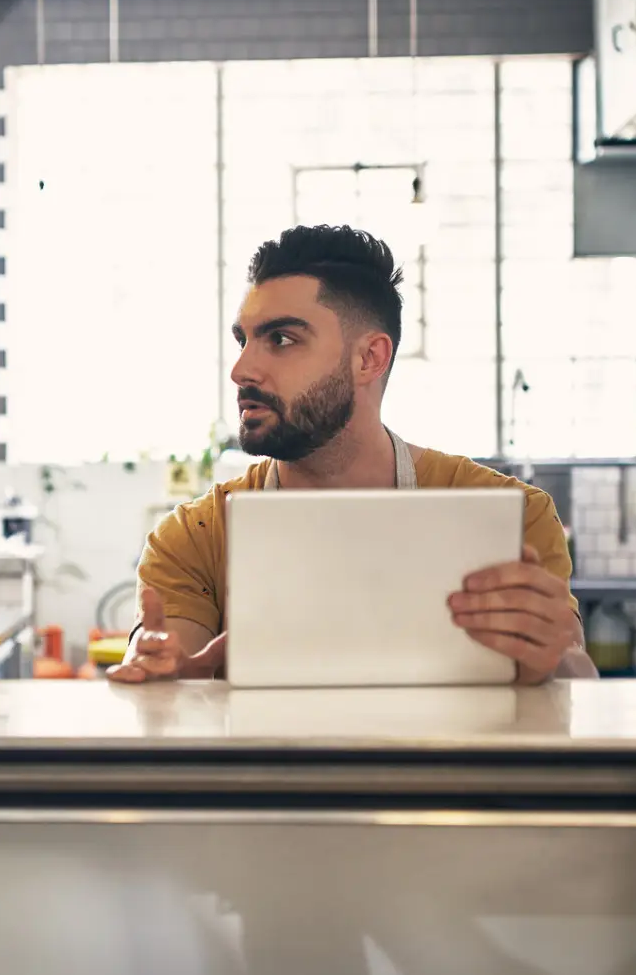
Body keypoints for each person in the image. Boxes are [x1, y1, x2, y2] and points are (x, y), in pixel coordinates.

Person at [110, 224, 590, 686]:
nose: (241, 369)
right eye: (243, 340)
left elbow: (581, 686)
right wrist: (168, 678)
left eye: (280, 339)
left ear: (369, 359)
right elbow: (170, 656)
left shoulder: (511, 518)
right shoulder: (194, 536)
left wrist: (558, 660)